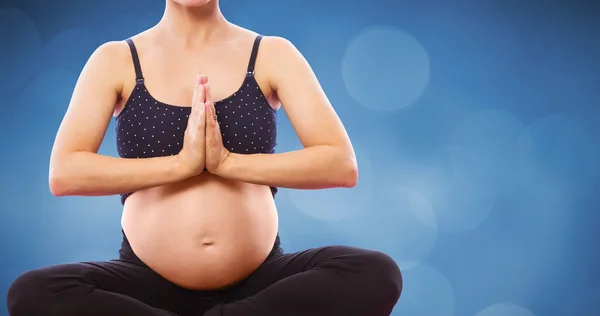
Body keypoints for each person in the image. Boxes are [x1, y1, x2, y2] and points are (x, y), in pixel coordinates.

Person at [6, 0, 402, 315]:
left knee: (376, 273)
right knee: (33, 293)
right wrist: (180, 165)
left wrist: (227, 162)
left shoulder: (271, 54)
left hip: (260, 284)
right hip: (145, 287)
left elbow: (339, 164)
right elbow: (65, 172)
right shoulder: (115, 59)